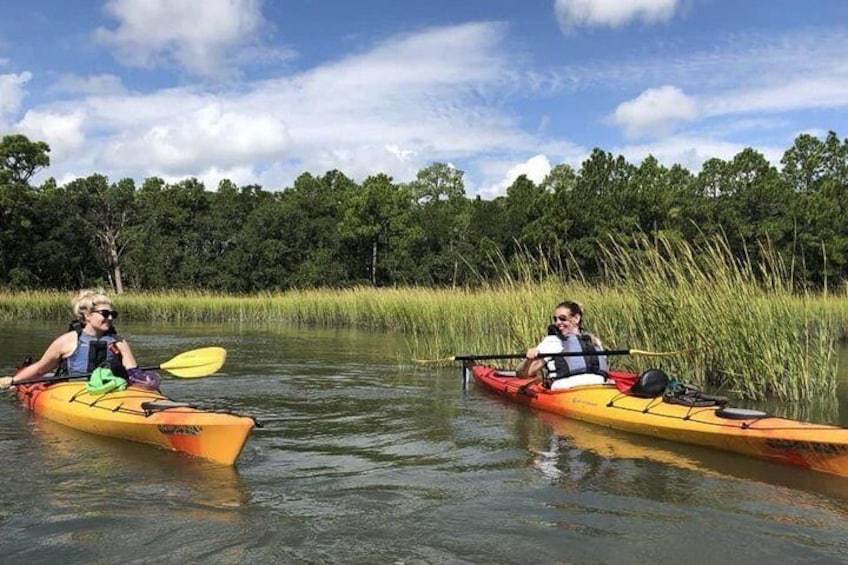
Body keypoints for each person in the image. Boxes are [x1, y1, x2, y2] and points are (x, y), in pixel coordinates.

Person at [0, 288, 145, 389]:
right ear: (87, 316)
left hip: (111, 389)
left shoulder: (120, 342)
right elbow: (40, 370)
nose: (110, 318)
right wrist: (14, 380)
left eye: (113, 314)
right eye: (105, 313)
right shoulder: (66, 341)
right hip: (73, 391)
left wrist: (146, 382)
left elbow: (133, 372)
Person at [515, 300, 609, 390]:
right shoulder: (553, 342)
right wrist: (529, 359)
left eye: (562, 318)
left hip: (597, 390)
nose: (558, 323)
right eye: (555, 319)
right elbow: (522, 374)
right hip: (567, 393)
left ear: (576, 318)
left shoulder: (594, 341)